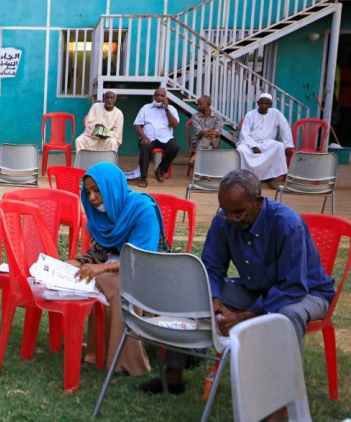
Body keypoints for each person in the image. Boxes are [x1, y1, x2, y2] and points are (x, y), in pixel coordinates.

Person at [138, 169, 334, 410]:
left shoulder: (286, 223)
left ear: (258, 202)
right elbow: (212, 267)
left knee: (288, 316)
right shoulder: (224, 219)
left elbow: (293, 286)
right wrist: (215, 297)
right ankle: (173, 376)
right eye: (226, 211)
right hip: (257, 288)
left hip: (306, 292)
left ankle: (280, 402)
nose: (231, 218)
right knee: (192, 289)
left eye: (238, 212)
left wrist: (244, 315)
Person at [68, 162, 167, 376]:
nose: (92, 198)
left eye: (97, 190)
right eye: (88, 192)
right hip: (121, 268)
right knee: (94, 280)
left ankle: (127, 362)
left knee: (115, 286)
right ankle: (96, 355)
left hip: (154, 273)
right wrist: (79, 262)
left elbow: (143, 258)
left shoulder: (142, 210)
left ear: (112, 188)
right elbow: (100, 251)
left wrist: (103, 268)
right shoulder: (102, 216)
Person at [236, 93, 294, 189]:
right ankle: (248, 178)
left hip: (267, 143)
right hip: (250, 143)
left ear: (270, 104)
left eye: (266, 104)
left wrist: (288, 145)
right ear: (258, 103)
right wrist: (253, 146)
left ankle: (271, 177)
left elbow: (285, 128)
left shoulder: (276, 113)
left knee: (279, 146)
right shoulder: (250, 114)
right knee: (241, 150)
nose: (264, 106)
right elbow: (244, 133)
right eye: (262, 103)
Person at [134, 87, 180, 187]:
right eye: (157, 95)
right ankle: (143, 178)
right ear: (154, 96)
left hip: (165, 138)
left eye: (162, 95)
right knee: (145, 146)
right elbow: (137, 125)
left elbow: (174, 124)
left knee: (175, 147)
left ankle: (161, 170)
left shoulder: (171, 109)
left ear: (165, 97)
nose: (159, 97)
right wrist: (143, 136)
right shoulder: (145, 108)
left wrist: (166, 109)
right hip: (149, 138)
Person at [189, 95, 223, 166]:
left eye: (200, 104)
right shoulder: (195, 116)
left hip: (214, 142)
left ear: (208, 104)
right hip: (198, 141)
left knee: (209, 137)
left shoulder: (217, 116)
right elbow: (198, 130)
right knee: (209, 147)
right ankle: (206, 174)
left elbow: (219, 129)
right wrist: (206, 133)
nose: (198, 106)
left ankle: (196, 156)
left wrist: (214, 133)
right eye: (198, 104)